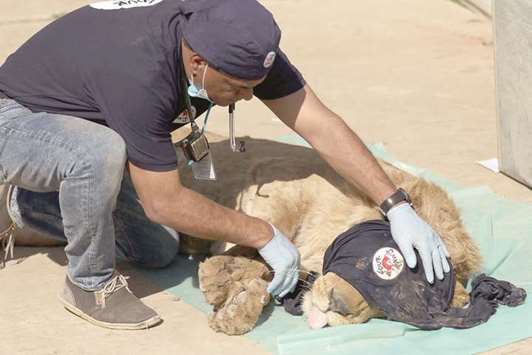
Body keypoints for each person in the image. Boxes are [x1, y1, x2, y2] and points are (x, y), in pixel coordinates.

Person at [0, 0, 450, 330]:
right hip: (16, 118)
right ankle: (89, 283)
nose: (250, 96)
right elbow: (163, 201)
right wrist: (263, 234)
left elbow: (319, 124)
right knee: (97, 152)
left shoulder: (237, 42)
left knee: (157, 249)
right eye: (237, 87)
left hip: (83, 117)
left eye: (256, 85)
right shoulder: (139, 72)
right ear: (197, 62)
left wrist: (396, 205)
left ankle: (26, 205)